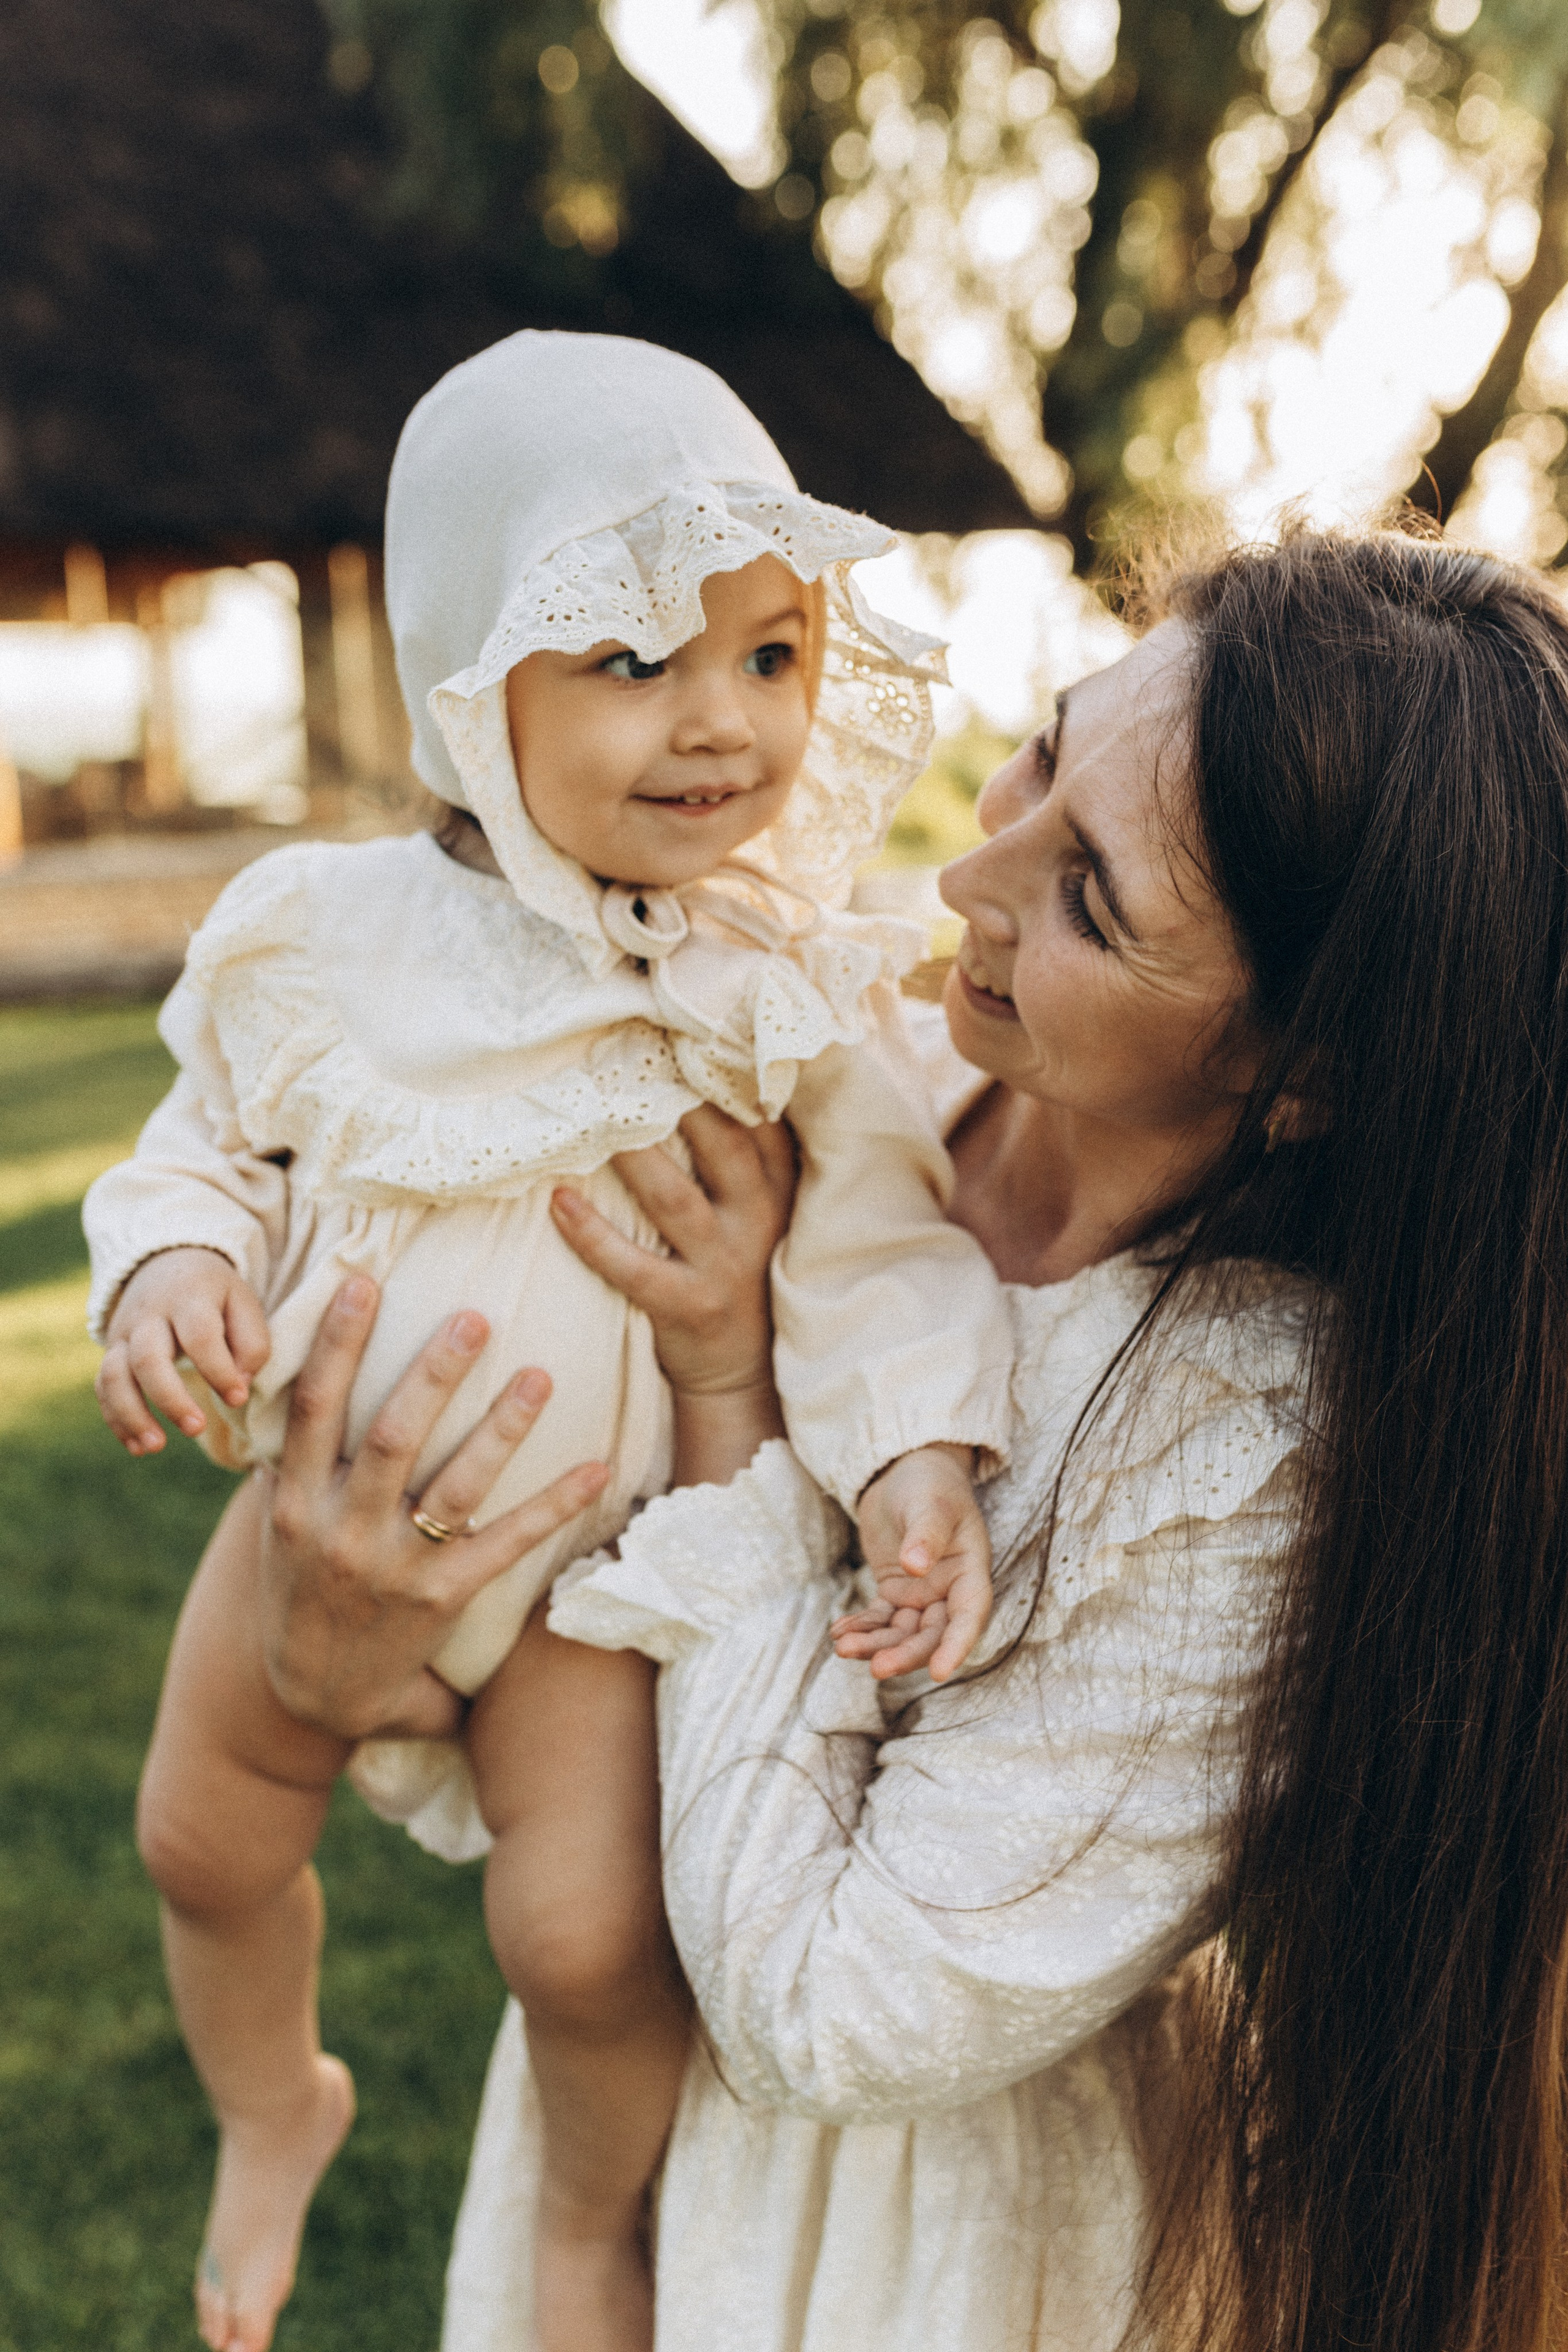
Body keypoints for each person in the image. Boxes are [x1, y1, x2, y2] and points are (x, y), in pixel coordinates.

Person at [248, 526, 1568, 2352]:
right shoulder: (856, 1073)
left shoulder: (1243, 1451)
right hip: (613, 2096)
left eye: (1093, 898)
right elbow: (568, 1694)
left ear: (1307, 1074)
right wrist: (348, 1668)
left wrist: (731, 1394)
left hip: (907, 2262)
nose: (965, 875)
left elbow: (822, 2011)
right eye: (1044, 747)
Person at [81, 334, 1011, 2352]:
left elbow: (875, 1250)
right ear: (461, 692)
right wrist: (167, 1274)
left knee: (590, 1944)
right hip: (315, 1505)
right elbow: (199, 1151)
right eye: (630, 661)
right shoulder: (325, 936)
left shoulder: (779, 984)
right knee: (199, 1830)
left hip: (583, 1589)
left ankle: (593, 2231)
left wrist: (917, 1450)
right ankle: (273, 2103)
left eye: (770, 657)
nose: (720, 725)